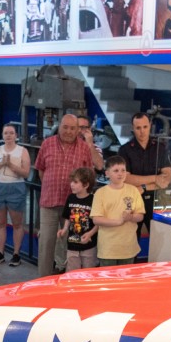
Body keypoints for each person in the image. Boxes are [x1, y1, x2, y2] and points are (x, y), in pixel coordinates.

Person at [34, 113, 104, 275]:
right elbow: (41, 170)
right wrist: (51, 185)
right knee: (46, 245)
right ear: (59, 126)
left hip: (75, 206)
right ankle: (42, 282)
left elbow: (90, 174)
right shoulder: (47, 144)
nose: (68, 131)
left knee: (73, 246)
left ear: (77, 130)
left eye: (73, 128)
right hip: (49, 202)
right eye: (65, 127)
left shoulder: (84, 148)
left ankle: (69, 281)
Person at [119, 112, 171, 256]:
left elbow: (166, 179)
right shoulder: (125, 149)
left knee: (160, 241)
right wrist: (155, 178)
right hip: (132, 200)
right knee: (130, 242)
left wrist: (143, 186)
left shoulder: (160, 147)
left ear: (150, 126)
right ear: (132, 128)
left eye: (145, 127)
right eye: (138, 128)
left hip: (155, 199)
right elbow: (126, 179)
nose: (142, 131)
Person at [0, 123, 31, 267]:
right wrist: (1, 164)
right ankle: (0, 252)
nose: (8, 135)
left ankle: (16, 254)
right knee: (0, 223)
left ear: (16, 135)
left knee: (17, 223)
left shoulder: (22, 151)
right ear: (2, 135)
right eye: (6, 133)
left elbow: (26, 173)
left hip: (16, 188)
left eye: (11, 133)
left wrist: (11, 165)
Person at [91, 155, 143, 266]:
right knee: (108, 281)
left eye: (123, 170)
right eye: (116, 171)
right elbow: (96, 219)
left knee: (126, 281)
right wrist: (118, 222)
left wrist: (131, 217)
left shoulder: (133, 190)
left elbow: (140, 215)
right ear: (107, 174)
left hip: (128, 248)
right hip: (108, 249)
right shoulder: (100, 193)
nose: (120, 173)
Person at [58, 167, 98, 271]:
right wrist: (65, 229)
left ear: (86, 185)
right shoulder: (70, 197)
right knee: (72, 273)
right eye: (71, 181)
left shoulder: (94, 200)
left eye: (75, 182)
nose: (71, 184)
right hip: (72, 244)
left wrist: (90, 234)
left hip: (89, 245)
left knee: (88, 273)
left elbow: (98, 223)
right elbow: (67, 216)